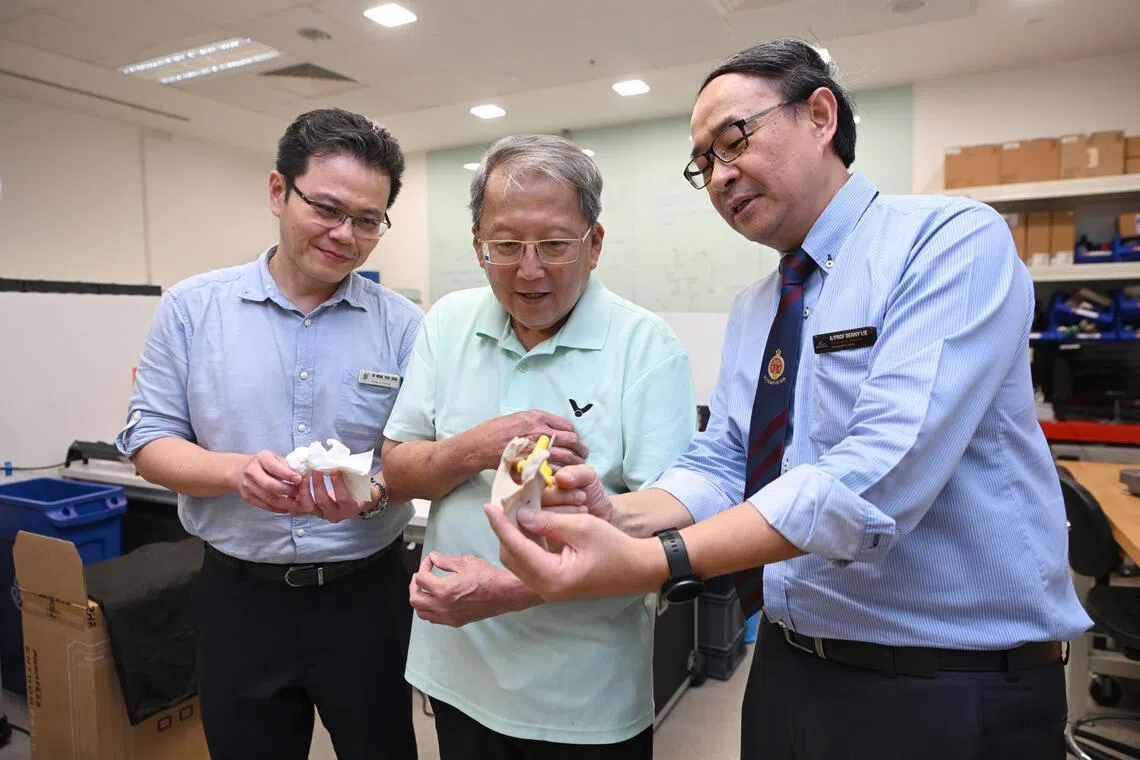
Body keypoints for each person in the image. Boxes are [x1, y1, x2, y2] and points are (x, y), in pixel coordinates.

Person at [485, 40, 1092, 760]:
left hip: (947, 686)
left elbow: (876, 477)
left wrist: (660, 561)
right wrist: (617, 517)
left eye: (732, 139)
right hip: (793, 666)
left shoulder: (947, 242)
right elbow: (728, 460)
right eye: (702, 162)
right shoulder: (761, 306)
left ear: (820, 115)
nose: (718, 174)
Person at [116, 108, 422, 760]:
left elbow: (418, 456)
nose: (346, 235)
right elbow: (149, 441)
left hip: (367, 595)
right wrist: (235, 473)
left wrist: (372, 489)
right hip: (238, 598)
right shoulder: (193, 310)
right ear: (279, 192)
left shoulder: (403, 326)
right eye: (328, 209)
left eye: (368, 220)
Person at [380, 134, 696, 759]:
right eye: (505, 245)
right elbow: (396, 471)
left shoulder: (646, 347)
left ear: (594, 244)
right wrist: (476, 447)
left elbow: (669, 534)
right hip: (458, 670)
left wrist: (513, 588)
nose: (529, 268)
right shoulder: (446, 323)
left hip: (583, 692)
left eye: (554, 244)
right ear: (478, 245)